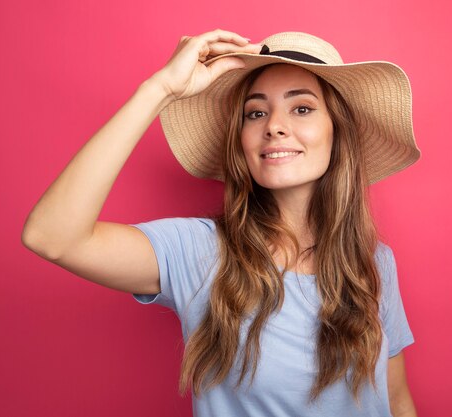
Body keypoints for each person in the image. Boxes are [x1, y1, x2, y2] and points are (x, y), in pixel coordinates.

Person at [22, 29, 421, 417]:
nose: (274, 125)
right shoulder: (199, 250)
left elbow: (397, 401)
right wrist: (159, 89)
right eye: (256, 112)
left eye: (301, 108)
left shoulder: (372, 261)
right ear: (241, 142)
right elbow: (52, 237)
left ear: (338, 134)